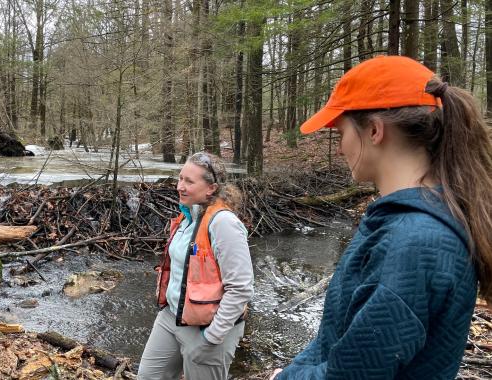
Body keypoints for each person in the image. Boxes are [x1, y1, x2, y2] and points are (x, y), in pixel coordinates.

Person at [270, 55, 492, 379]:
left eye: (340, 131)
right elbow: (339, 343)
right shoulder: (417, 223)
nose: (339, 148)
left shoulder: (414, 244)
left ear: (374, 130)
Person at [138, 152, 254, 380]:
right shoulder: (187, 216)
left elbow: (241, 288)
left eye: (189, 181)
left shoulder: (224, 224)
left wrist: (212, 336)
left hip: (208, 328)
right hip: (171, 317)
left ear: (211, 188)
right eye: (180, 178)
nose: (180, 186)